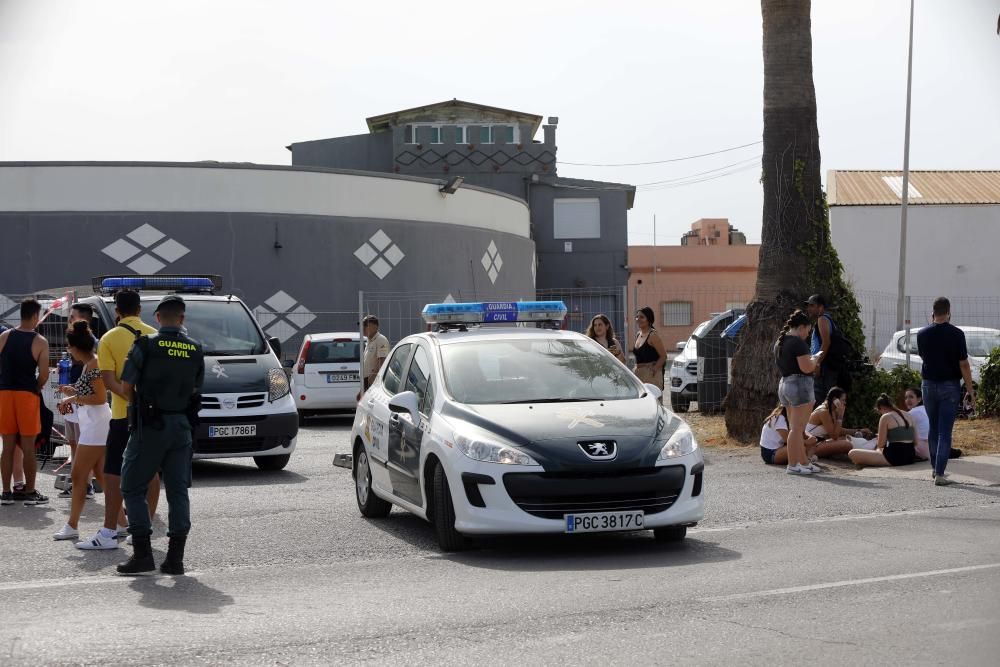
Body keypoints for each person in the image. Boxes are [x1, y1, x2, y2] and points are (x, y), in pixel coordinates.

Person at [117, 295, 204, 575]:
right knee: (178, 491)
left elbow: (126, 384)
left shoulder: (145, 344)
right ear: (182, 319)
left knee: (132, 486)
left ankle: (143, 555)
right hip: (181, 427)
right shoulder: (195, 349)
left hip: (150, 427)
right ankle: (175, 559)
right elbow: (195, 390)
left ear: (157, 318)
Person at [77, 290, 157, 550]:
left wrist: (128, 396)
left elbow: (108, 380)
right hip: (151, 414)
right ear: (140, 310)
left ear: (117, 312)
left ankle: (109, 532)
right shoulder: (153, 335)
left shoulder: (109, 338)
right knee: (151, 471)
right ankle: (143, 528)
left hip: (123, 415)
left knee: (112, 474)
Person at [52, 321, 111, 541]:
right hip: (93, 423)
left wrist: (73, 396)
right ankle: (124, 522)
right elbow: (93, 393)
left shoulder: (93, 364)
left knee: (79, 475)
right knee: (101, 476)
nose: (68, 351)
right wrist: (74, 392)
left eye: (68, 347)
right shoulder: (90, 363)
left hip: (96, 424)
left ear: (76, 347)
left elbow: (99, 397)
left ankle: (72, 525)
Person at [917, 298, 975, 486]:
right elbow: (964, 364)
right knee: (945, 431)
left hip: (928, 385)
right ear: (949, 313)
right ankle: (940, 473)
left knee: (933, 428)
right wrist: (969, 388)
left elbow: (924, 357)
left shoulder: (922, 334)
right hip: (949, 385)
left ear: (932, 313)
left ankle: (935, 469)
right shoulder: (957, 334)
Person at [0, 299, 50, 506]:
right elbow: (44, 375)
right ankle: (29, 492)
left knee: (7, 446)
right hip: (26, 395)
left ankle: (6, 492)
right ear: (35, 316)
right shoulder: (40, 341)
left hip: (4, 394)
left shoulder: (4, 336)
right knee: (28, 447)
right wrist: (36, 388)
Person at [774, 309, 823, 475]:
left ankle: (803, 462)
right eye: (808, 330)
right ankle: (793, 464)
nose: (807, 334)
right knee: (797, 429)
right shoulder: (798, 343)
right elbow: (806, 367)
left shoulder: (780, 342)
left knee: (796, 428)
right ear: (802, 327)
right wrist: (815, 358)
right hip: (800, 386)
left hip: (785, 384)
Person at [58, 303, 98, 500]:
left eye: (72, 317)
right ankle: (77, 483)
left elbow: (98, 393)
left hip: (86, 406)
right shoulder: (73, 344)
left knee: (84, 446)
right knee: (73, 444)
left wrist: (74, 394)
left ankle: (87, 485)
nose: (69, 321)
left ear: (84, 319)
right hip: (75, 402)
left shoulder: (93, 347)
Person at [848, 394, 917, 469]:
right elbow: (916, 442)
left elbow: (881, 444)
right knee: (878, 451)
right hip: (911, 457)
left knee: (852, 453)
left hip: (895, 458)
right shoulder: (909, 415)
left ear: (881, 408)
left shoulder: (885, 417)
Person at [805, 387, 872, 460]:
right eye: (843, 400)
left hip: (819, 443)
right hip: (810, 448)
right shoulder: (823, 412)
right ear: (835, 400)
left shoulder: (832, 410)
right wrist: (840, 416)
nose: (845, 402)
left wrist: (859, 430)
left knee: (847, 438)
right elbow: (834, 436)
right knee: (846, 444)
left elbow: (838, 430)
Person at [904, 387, 961, 463]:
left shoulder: (912, 413)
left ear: (919, 399)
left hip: (925, 449)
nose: (908, 400)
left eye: (911, 397)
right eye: (906, 397)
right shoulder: (927, 409)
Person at [805, 294, 841, 406]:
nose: (809, 308)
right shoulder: (824, 319)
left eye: (812, 305)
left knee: (821, 402)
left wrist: (817, 363)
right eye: (808, 305)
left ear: (820, 307)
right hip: (826, 367)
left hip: (825, 368)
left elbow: (826, 343)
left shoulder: (822, 319)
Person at [632, 307, 666, 390]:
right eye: (637, 317)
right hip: (639, 376)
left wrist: (654, 370)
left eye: (642, 317)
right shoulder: (638, 334)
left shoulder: (653, 335)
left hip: (651, 377)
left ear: (649, 319)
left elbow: (663, 356)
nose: (638, 319)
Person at [358, 315, 389, 400]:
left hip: (372, 381)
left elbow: (382, 360)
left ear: (373, 326)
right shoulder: (369, 341)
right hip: (366, 381)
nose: (362, 328)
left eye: (365, 325)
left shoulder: (381, 340)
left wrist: (372, 378)